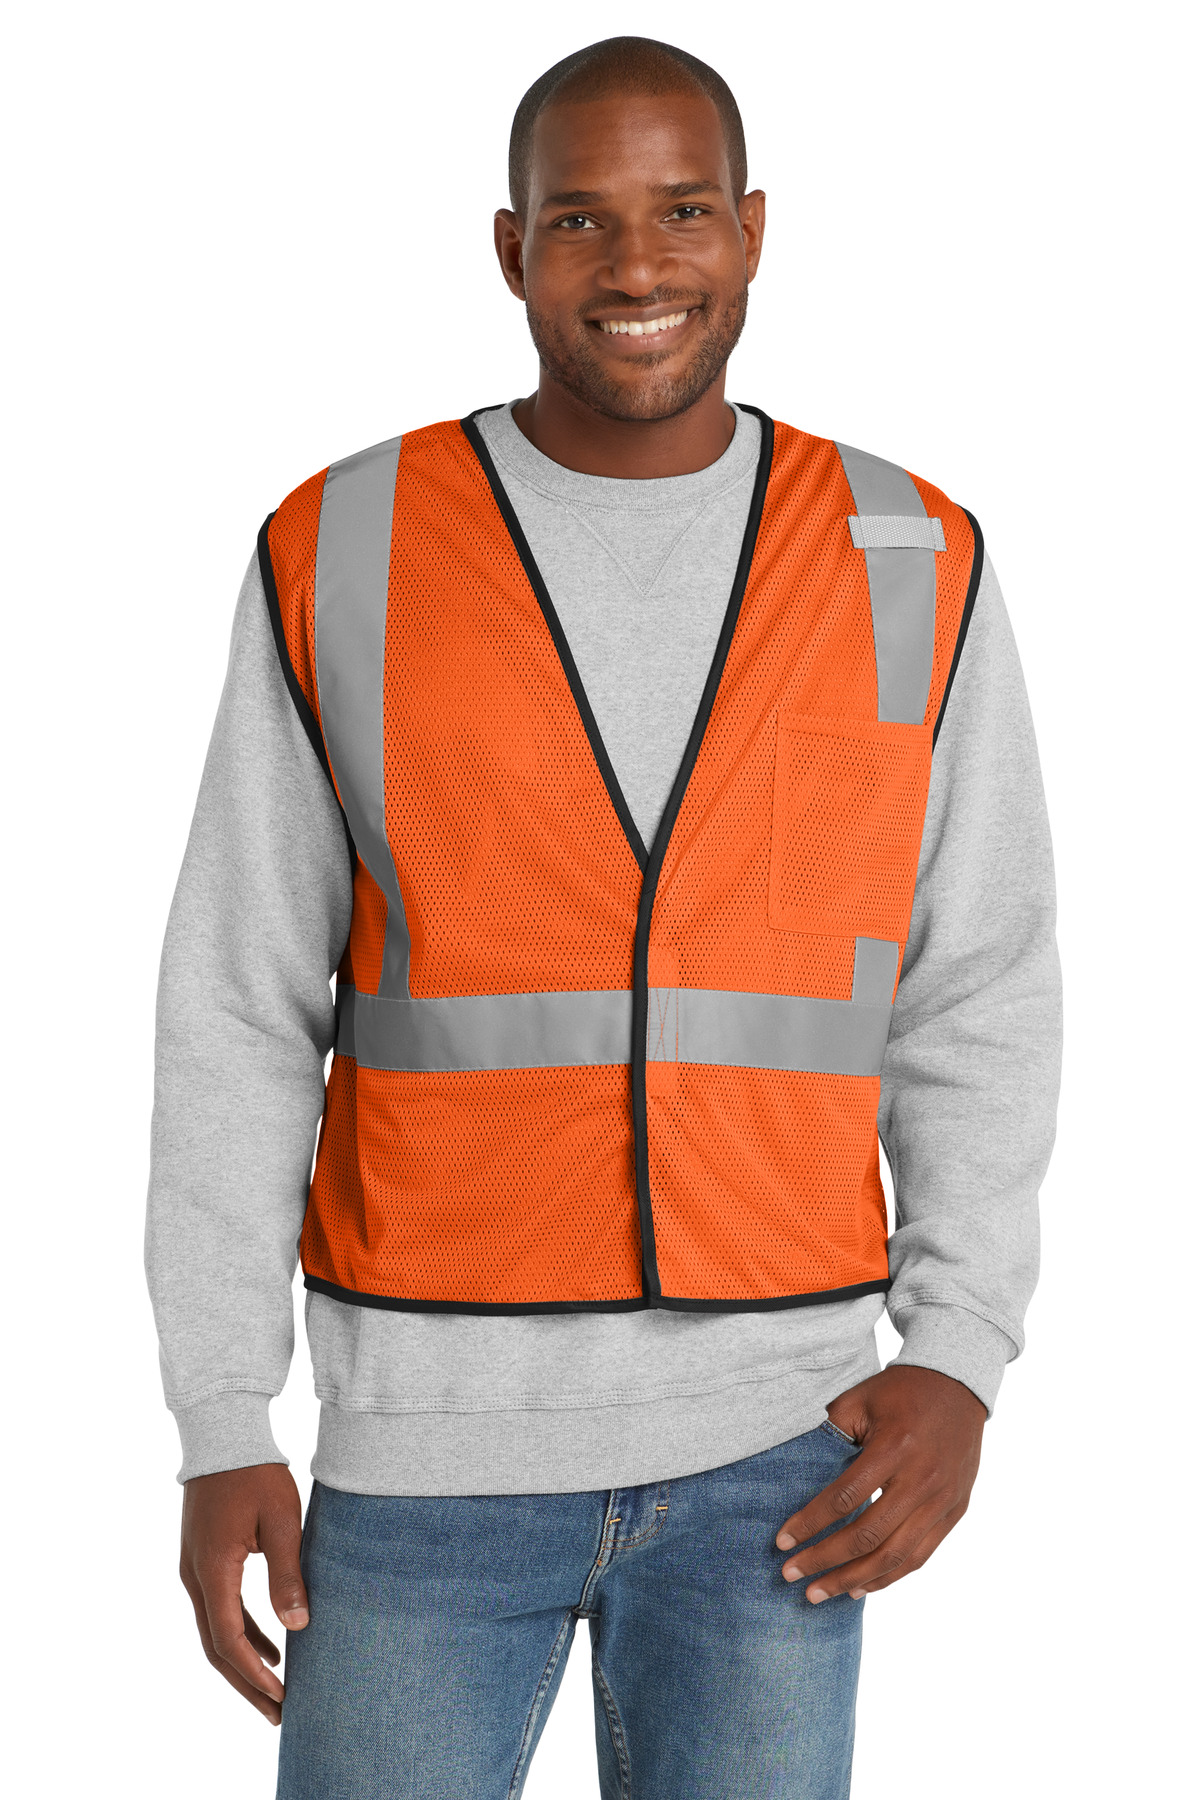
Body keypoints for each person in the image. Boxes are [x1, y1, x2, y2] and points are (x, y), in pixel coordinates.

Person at [146, 35, 1061, 1800]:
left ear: (754, 230)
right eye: (580, 219)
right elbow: (237, 1004)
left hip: (785, 1456)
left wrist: (962, 1349)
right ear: (512, 250)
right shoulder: (346, 541)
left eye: (683, 212)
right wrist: (217, 1417)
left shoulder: (910, 551)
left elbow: (980, 986)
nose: (638, 265)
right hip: (422, 1456)